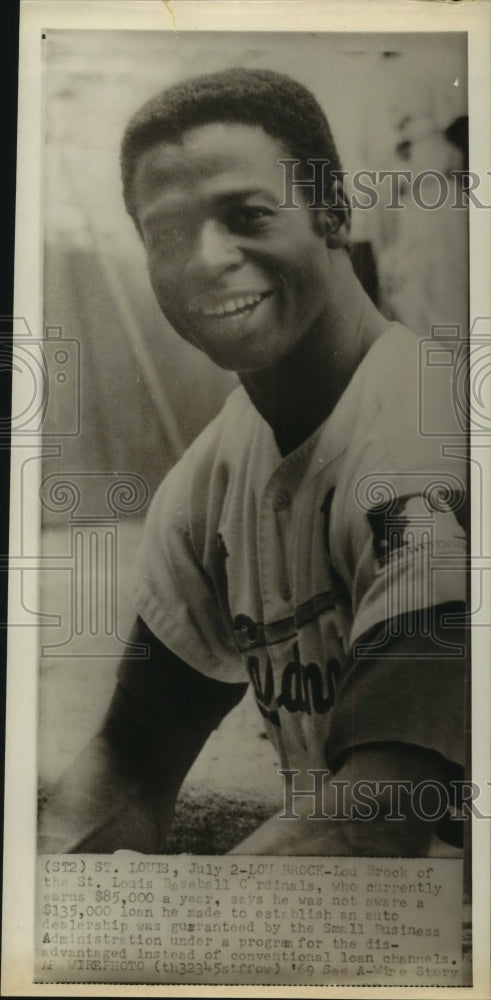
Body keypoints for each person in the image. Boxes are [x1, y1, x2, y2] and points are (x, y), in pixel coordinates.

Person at [38, 68, 467, 856]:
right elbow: (131, 763)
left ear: (331, 213)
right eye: (167, 235)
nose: (207, 258)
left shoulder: (427, 439)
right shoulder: (216, 473)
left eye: (247, 215)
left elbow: (378, 818)